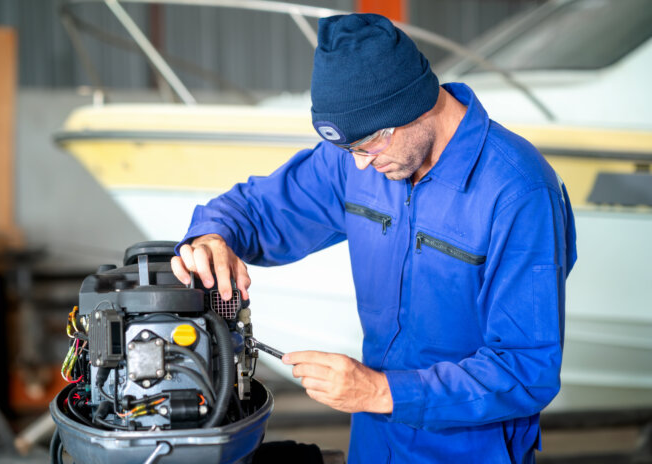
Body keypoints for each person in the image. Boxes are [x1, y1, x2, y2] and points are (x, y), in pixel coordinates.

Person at [171, 13, 577, 464]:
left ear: (416, 103)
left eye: (370, 145)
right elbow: (260, 208)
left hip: (469, 448)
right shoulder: (360, 159)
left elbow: (526, 368)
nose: (361, 165)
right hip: (375, 441)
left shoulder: (518, 192)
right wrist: (213, 236)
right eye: (350, 150)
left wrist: (382, 390)